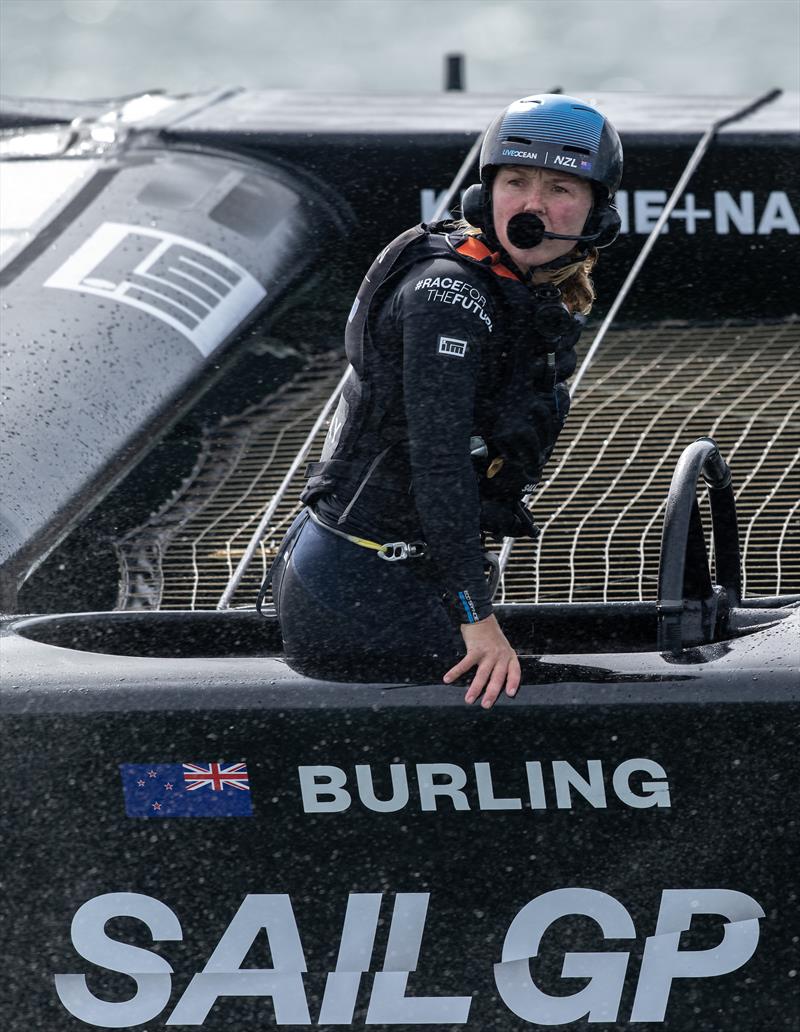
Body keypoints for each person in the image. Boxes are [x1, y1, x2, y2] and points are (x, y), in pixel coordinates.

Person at [269, 94, 623, 706]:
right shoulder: (446, 298)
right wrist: (476, 617)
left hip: (409, 575)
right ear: (487, 196)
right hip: (359, 588)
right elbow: (438, 467)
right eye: (517, 181)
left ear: (595, 210)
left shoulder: (517, 282)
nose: (533, 205)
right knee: (537, 704)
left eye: (560, 188)